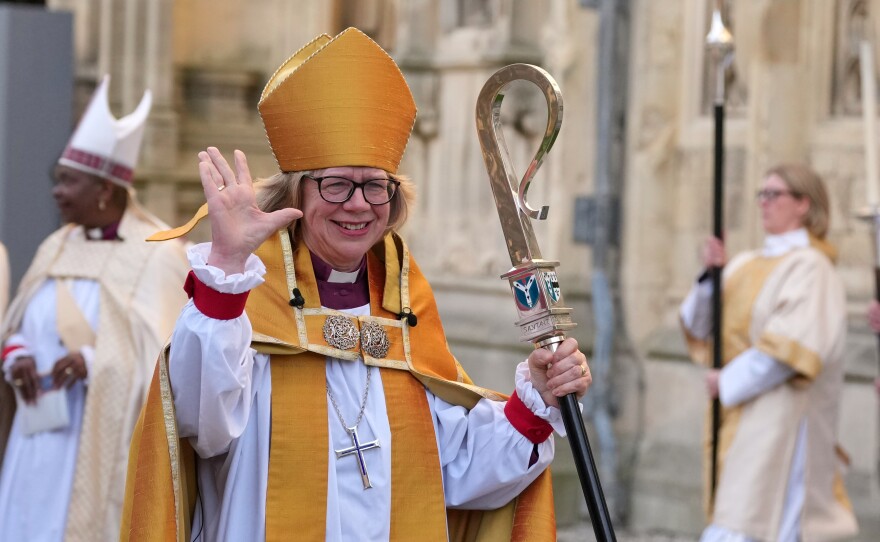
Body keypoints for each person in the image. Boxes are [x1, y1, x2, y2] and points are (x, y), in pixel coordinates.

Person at [121, 28, 591, 541]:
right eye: (336, 183)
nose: (358, 204)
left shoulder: (404, 314)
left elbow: (456, 468)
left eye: (374, 186)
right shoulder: (244, 308)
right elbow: (200, 422)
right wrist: (228, 264)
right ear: (296, 193)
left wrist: (536, 400)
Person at [0, 76, 190, 541]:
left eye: (69, 181)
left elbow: (165, 361)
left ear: (105, 189)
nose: (56, 192)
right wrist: (17, 353)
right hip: (34, 431)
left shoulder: (159, 254)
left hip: (96, 441)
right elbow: (23, 320)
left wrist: (91, 363)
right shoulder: (56, 246)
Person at [679, 163, 858, 541]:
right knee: (738, 513)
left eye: (774, 194)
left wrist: (726, 381)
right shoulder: (745, 263)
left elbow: (790, 351)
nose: (763, 203)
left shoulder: (813, 268)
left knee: (760, 522)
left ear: (804, 205)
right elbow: (699, 326)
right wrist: (709, 277)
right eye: (761, 194)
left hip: (784, 415)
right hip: (739, 412)